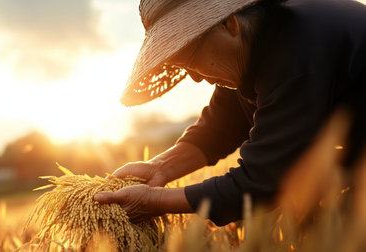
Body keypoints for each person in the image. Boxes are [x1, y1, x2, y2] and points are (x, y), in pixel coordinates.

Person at [94, 0, 366, 226]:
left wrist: (154, 201)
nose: (197, 80)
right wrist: (159, 168)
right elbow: (220, 127)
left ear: (228, 25)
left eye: (192, 63)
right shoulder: (258, 42)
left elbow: (260, 182)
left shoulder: (296, 50)